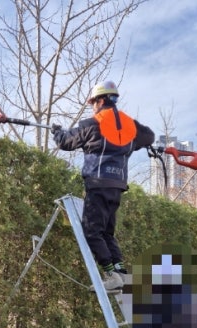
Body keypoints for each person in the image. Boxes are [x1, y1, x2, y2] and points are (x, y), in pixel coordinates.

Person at [52, 81, 155, 291]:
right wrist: (134, 143)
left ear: (100, 100)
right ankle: (121, 274)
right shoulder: (130, 125)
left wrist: (57, 132)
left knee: (91, 231)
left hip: (97, 183)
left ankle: (111, 274)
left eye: (93, 103)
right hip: (117, 186)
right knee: (107, 232)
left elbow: (66, 143)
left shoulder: (91, 124)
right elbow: (149, 137)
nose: (92, 107)